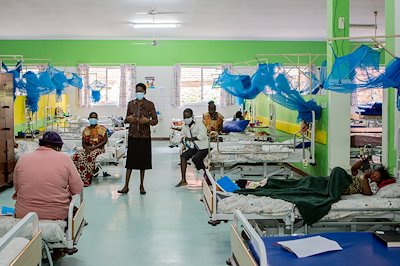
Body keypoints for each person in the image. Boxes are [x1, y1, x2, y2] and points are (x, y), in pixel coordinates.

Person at [13, 131, 83, 220]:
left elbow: (17, 187)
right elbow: (78, 189)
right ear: (58, 147)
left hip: (24, 214)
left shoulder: (23, 158)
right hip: (57, 214)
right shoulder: (64, 158)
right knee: (78, 215)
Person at [118, 83, 158, 194]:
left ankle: (141, 186)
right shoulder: (131, 104)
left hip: (144, 136)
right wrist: (128, 119)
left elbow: (155, 121)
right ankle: (126, 186)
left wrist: (147, 121)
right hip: (133, 135)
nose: (138, 93)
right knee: (129, 163)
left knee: (143, 163)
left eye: (140, 91)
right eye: (137, 91)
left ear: (145, 92)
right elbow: (126, 119)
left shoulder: (149, 105)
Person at [73, 112, 108, 187]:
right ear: (88, 119)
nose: (93, 119)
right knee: (76, 156)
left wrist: (94, 148)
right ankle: (78, 179)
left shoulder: (102, 128)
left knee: (90, 157)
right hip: (88, 148)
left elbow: (105, 141)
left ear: (97, 119)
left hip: (99, 148)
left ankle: (87, 179)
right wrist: (86, 148)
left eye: (95, 118)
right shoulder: (86, 130)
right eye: (91, 118)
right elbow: (83, 143)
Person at [175, 108, 209, 187]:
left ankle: (205, 175)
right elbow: (183, 134)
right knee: (183, 156)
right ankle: (183, 180)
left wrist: (192, 138)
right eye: (184, 117)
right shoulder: (185, 126)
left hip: (203, 146)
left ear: (192, 116)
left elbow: (203, 134)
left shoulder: (199, 123)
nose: (186, 119)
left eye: (188, 117)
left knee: (196, 159)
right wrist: (181, 139)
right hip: (193, 147)